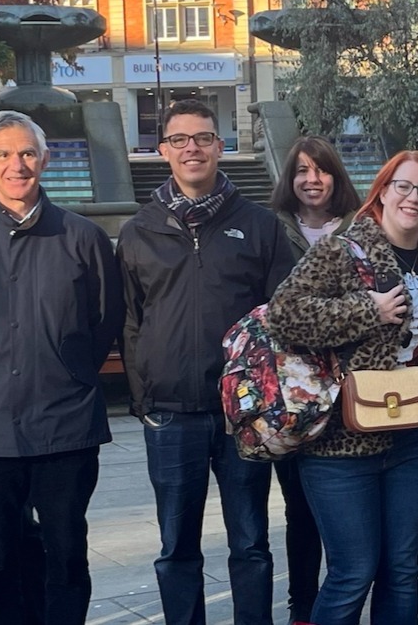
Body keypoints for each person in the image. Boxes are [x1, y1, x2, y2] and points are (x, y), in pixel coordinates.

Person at [265, 151, 418, 625]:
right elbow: (284, 315)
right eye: (403, 186)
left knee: (400, 570)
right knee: (352, 573)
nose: (412, 198)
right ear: (382, 190)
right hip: (340, 444)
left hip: (413, 437)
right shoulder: (342, 249)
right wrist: (365, 310)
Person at [0, 111, 123, 625]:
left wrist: (68, 369)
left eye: (26, 154)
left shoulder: (82, 236)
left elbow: (104, 318)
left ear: (44, 160)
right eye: (4, 154)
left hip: (66, 421)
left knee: (66, 549)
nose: (16, 165)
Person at [119, 99, 295, 625]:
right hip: (170, 413)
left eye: (202, 138)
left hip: (241, 415)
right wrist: (142, 397)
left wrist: (269, 404)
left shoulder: (259, 226)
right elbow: (130, 322)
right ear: (163, 151)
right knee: (177, 545)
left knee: (250, 542)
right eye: (179, 140)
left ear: (220, 146)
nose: (191, 148)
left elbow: (281, 319)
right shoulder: (139, 230)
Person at [267, 134, 360, 625]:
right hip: (293, 391)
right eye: (301, 170)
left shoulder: (361, 228)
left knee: (350, 514)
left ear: (335, 176)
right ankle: (303, 606)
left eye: (320, 170)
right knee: (299, 509)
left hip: (352, 389)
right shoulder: (272, 230)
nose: (311, 179)